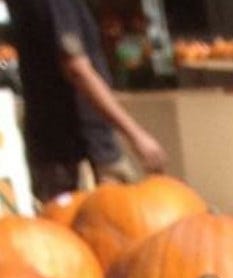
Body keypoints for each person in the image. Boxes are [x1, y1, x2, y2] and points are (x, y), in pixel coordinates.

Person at [11, 0, 166, 200]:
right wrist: (136, 135)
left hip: (67, 146)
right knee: (111, 221)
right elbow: (77, 69)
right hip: (76, 153)